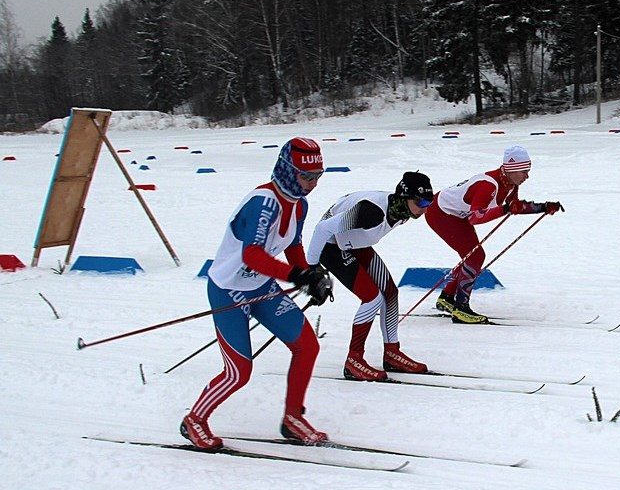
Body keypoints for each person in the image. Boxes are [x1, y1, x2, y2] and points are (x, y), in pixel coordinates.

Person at [180, 137, 335, 452]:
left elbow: (292, 245)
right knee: (239, 372)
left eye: (318, 176)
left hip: (262, 286)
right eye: (306, 176)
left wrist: (310, 275)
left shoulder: (299, 204)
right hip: (228, 290)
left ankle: (293, 419)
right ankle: (195, 419)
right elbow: (252, 255)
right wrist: (297, 276)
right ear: (288, 171)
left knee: (306, 346)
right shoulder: (264, 202)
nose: (312, 184)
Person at [306, 171, 435, 381]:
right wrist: (312, 268)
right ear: (405, 197)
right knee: (372, 298)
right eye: (421, 202)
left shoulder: (401, 210)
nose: (425, 208)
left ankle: (392, 352)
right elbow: (322, 228)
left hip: (356, 243)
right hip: (332, 247)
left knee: (390, 292)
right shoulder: (371, 212)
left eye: (429, 202)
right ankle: (354, 359)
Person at [425, 145, 562, 324]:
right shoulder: (489, 185)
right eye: (523, 171)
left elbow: (515, 206)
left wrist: (543, 207)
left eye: (528, 171)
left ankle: (448, 297)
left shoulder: (510, 184)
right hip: (440, 213)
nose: (527, 176)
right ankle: (460, 308)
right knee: (475, 256)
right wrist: (505, 209)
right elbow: (476, 217)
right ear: (511, 169)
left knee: (473, 256)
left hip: (457, 215)